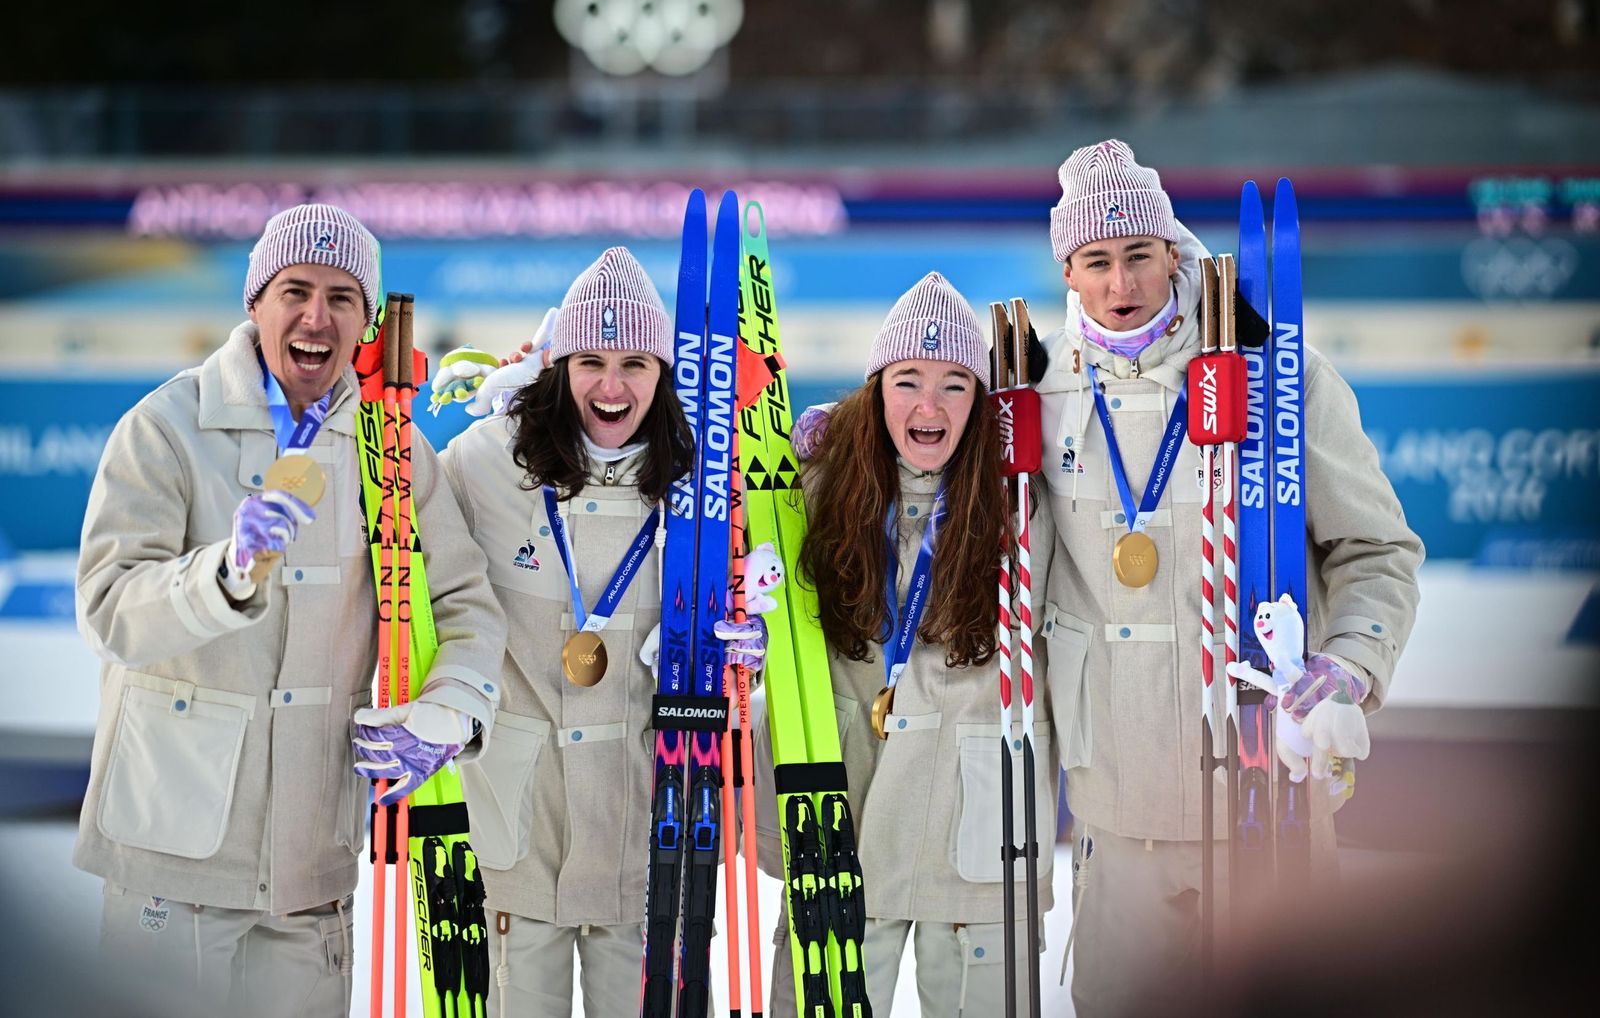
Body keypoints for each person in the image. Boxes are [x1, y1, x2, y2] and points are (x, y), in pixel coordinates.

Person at [73, 203, 507, 1018]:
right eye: (295, 291)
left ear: (367, 322)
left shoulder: (395, 449)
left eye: (343, 298)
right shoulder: (166, 428)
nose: (317, 317)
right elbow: (109, 609)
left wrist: (451, 709)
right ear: (255, 303)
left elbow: (467, 604)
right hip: (174, 847)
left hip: (313, 857)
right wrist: (226, 573)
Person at [1032, 140, 1423, 1014]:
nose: (1122, 282)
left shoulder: (1280, 376)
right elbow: (913, 423)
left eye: (1139, 254)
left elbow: (1377, 551)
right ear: (1069, 267)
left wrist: (1352, 663)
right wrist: (832, 435)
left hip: (1261, 792)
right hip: (1117, 798)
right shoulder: (1039, 386)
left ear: (1174, 252)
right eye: (1097, 261)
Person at [757, 272, 1056, 1015]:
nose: (930, 406)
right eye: (908, 381)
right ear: (873, 390)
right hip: (842, 818)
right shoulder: (813, 483)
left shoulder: (1026, 497)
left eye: (956, 384)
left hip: (974, 824)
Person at [436, 247, 698, 1017]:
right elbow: (418, 561)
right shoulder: (486, 462)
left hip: (645, 831)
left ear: (663, 372)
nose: (611, 387)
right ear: (558, 365)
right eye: (590, 361)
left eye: (634, 364)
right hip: (518, 828)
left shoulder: (702, 479)